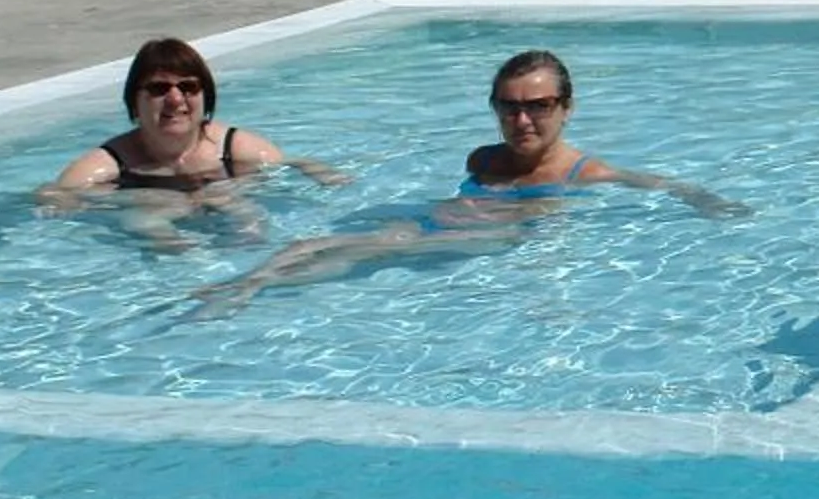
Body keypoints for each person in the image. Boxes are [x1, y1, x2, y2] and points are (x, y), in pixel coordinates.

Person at [191, 50, 743, 311]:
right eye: (508, 107)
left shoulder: (586, 173)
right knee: (314, 242)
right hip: (440, 223)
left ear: (567, 108)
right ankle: (246, 285)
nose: (521, 120)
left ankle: (252, 289)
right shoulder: (483, 158)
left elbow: (658, 184)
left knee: (373, 247)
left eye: (539, 106)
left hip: (490, 238)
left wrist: (707, 201)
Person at [44, 39, 342, 216]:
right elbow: (54, 197)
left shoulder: (236, 148)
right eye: (160, 89)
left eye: (188, 87)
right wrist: (139, 198)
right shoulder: (109, 162)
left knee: (245, 218)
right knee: (150, 223)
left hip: (228, 219)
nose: (176, 99)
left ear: (205, 96)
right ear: (135, 102)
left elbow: (289, 167)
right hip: (153, 233)